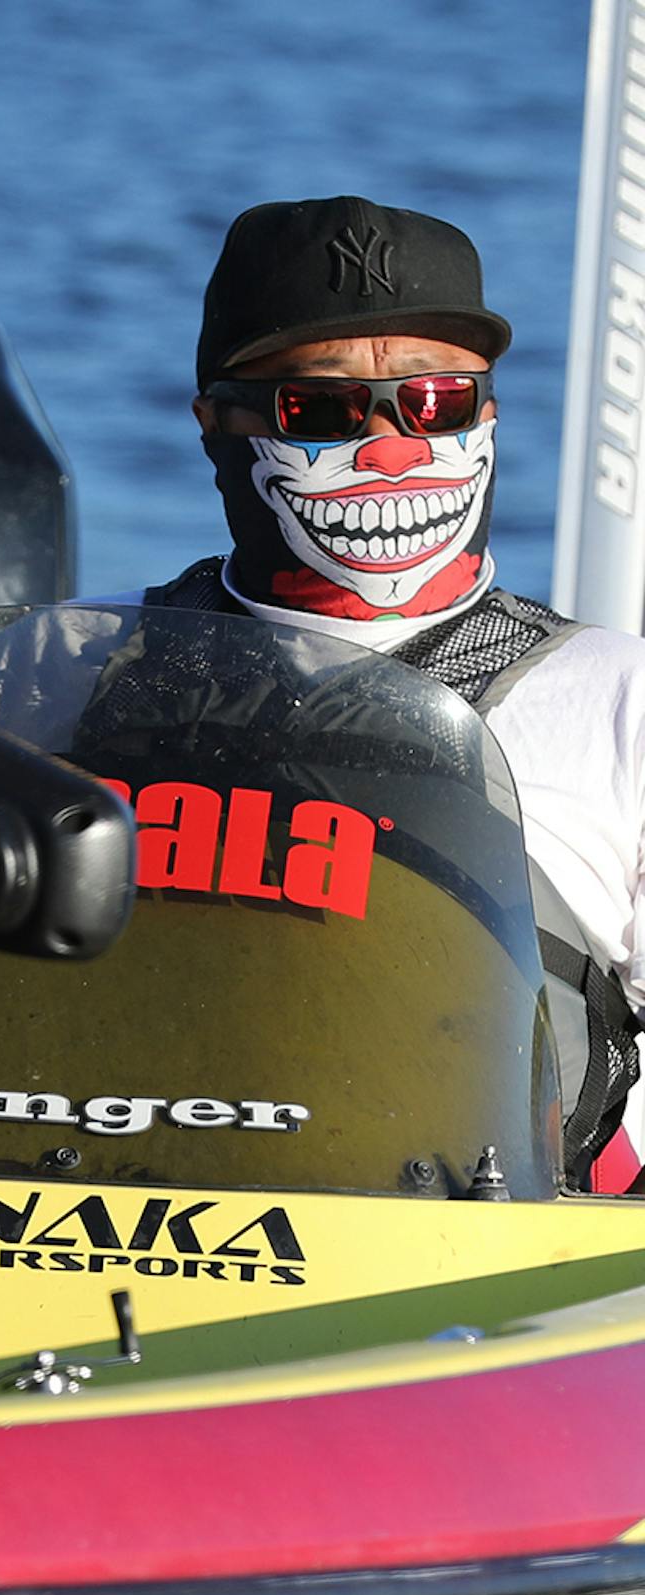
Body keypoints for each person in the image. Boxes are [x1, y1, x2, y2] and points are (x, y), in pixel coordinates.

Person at [127, 195, 645, 1184]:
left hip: (484, 1259)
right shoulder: (86, 661)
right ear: (214, 426)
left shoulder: (622, 699)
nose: (391, 444)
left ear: (486, 412)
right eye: (317, 409)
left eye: (435, 402)